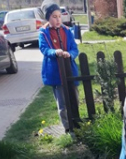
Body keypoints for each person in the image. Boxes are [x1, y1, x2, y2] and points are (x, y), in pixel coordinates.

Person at [39, 2, 79, 132]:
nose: (58, 20)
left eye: (59, 16)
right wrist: (55, 52)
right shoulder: (43, 33)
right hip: (56, 73)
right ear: (48, 18)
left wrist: (70, 54)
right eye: (54, 17)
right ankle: (67, 126)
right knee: (62, 103)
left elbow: (74, 48)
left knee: (74, 98)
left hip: (70, 70)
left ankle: (76, 121)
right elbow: (44, 49)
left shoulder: (67, 31)